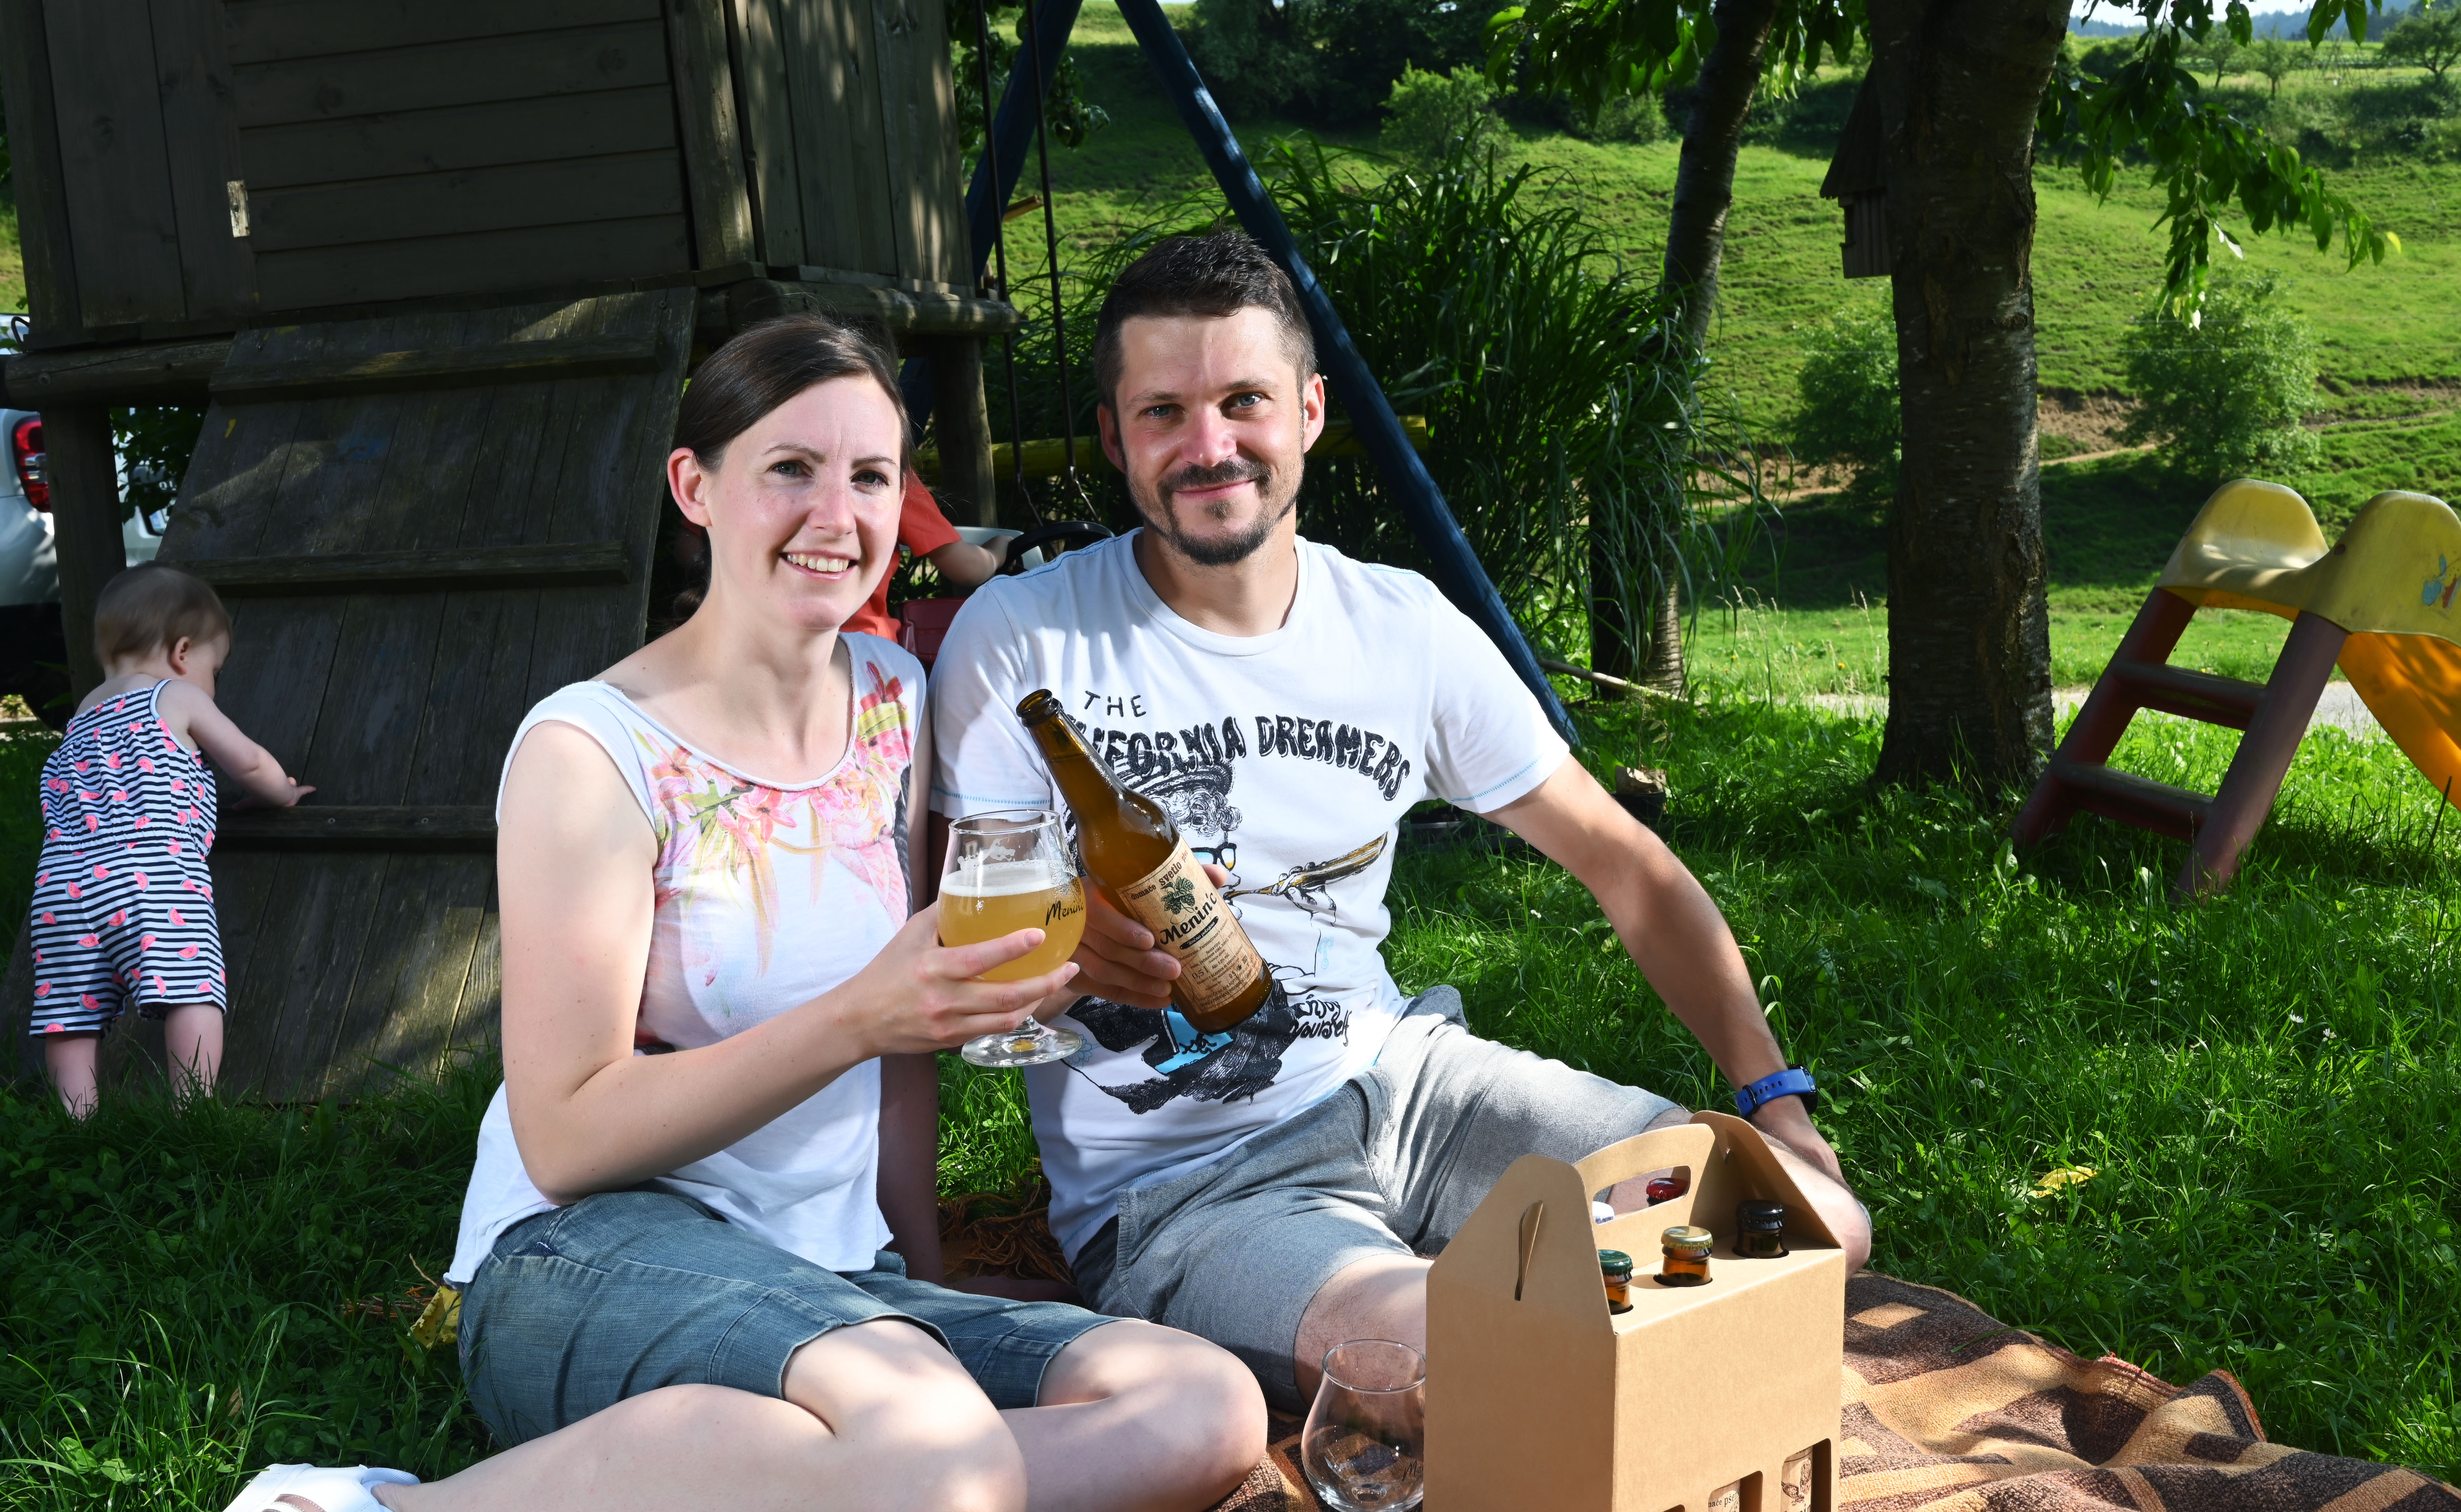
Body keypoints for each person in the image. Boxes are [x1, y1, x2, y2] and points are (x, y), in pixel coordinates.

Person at [227, 315, 1261, 1512]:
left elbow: (906, 1049)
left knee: (1201, 1404)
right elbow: (565, 1135)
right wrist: (860, 1016)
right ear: (695, 487)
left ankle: (812, 1474)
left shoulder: (893, 700)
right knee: (935, 1443)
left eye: (871, 476)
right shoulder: (591, 750)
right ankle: (360, 1506)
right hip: (592, 1248)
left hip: (831, 1277)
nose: (838, 514)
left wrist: (921, 1273)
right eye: (791, 468)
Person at [927, 232, 1874, 1416]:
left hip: (1414, 1087)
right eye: (1163, 412)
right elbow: (961, 948)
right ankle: (1481, 1322)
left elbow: (1625, 865)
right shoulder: (1022, 639)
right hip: (1190, 1182)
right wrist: (1069, 958)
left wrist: (1774, 1096)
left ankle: (1530, 1311)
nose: (1209, 445)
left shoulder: (1400, 626)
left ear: (1310, 412)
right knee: (1462, 1366)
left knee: (1813, 1221)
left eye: (1244, 401)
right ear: (1115, 440)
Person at [30, 563, 311, 1115]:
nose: (214, 682)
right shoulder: (175, 695)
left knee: (70, 1015)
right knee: (191, 987)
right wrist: (283, 792)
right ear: (183, 653)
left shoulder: (81, 717)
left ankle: (76, 1121)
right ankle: (192, 1111)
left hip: (61, 888)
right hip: (151, 874)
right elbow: (249, 763)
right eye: (216, 669)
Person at [841, 475, 1010, 644]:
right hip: (866, 645)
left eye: (868, 478)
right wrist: (997, 553)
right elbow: (970, 567)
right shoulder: (893, 471)